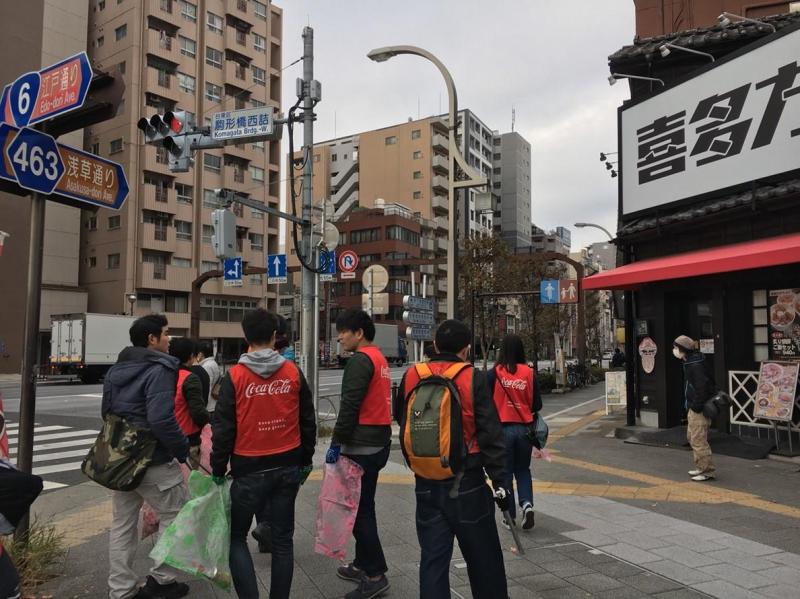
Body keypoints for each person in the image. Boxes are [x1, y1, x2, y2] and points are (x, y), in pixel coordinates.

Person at [395, 320, 509, 599]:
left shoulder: (413, 375)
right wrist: (501, 483)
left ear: (434, 346)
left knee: (433, 560)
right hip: (467, 481)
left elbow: (402, 419)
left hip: (425, 480)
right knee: (484, 560)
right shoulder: (472, 377)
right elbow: (490, 435)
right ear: (466, 349)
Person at [211, 309, 315, 599]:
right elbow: (307, 420)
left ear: (245, 337)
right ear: (273, 336)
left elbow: (224, 429)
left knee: (236, 538)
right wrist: (305, 460)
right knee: (283, 541)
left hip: (247, 469)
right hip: (287, 465)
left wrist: (218, 469)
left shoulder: (235, 377)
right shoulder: (293, 372)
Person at [102, 314, 190, 599]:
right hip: (154, 457)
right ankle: (162, 581)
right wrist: (181, 449)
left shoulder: (117, 369)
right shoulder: (160, 369)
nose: (169, 339)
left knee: (123, 523)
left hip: (121, 459)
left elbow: (107, 412)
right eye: (165, 333)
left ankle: (121, 589)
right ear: (151, 339)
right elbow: (162, 418)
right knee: (174, 516)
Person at [326, 309, 392, 599]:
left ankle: (375, 574)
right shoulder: (379, 358)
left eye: (343, 331)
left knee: (360, 511)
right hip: (379, 443)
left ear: (359, 333)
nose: (339, 337)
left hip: (361, 446)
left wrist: (336, 441)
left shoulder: (360, 361)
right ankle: (363, 563)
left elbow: (349, 406)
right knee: (365, 506)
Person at [486, 333, 542, 531]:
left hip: (501, 430)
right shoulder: (529, 373)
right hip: (525, 430)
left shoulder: (495, 373)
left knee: (506, 472)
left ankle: (509, 515)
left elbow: (485, 403)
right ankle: (527, 505)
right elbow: (537, 404)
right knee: (523, 470)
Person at [673, 335, 716, 482]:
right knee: (692, 437)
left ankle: (707, 471)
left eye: (676, 347)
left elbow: (701, 388)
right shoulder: (694, 361)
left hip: (699, 408)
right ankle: (701, 466)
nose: (674, 350)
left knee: (698, 440)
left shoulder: (695, 365)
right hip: (694, 406)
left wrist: (696, 406)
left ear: (682, 349)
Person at [169, 337, 210, 468]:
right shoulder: (190, 378)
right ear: (191, 356)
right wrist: (208, 421)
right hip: (188, 437)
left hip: (167, 435)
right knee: (191, 482)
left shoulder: (163, 374)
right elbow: (198, 412)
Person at [195, 341, 221, 411]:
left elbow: (207, 388)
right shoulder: (212, 363)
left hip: (209, 407)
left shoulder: (207, 366)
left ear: (200, 354)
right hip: (213, 404)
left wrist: (203, 408)